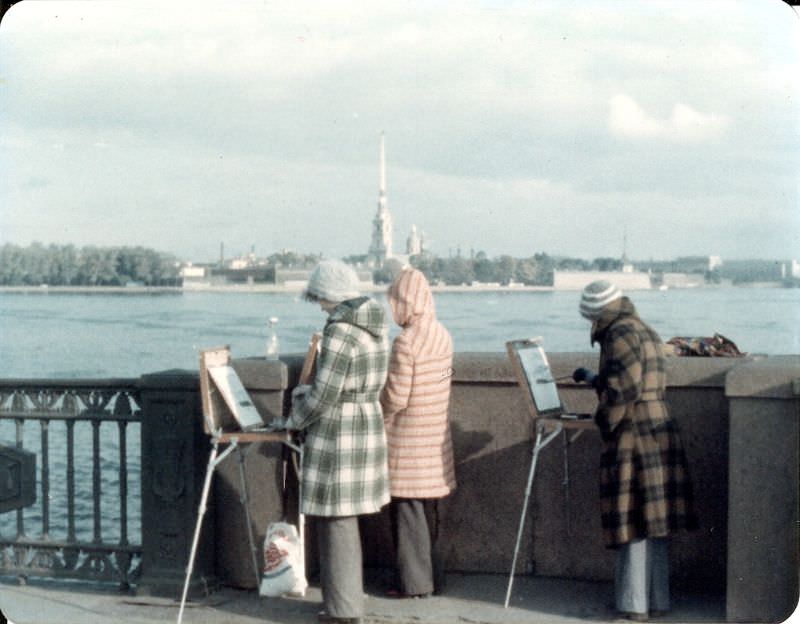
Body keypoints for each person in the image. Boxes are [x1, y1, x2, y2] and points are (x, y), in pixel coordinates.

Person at [573, 280, 697, 623]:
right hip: (658, 425)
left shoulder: (619, 333)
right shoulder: (643, 328)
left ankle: (632, 606)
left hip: (635, 432)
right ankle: (656, 601)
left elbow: (624, 389)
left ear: (597, 313)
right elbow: (634, 378)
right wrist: (593, 377)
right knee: (653, 521)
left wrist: (603, 420)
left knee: (632, 519)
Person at [288, 259, 391, 624]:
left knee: (335, 521)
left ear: (330, 294)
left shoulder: (339, 331)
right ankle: (345, 605)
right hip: (366, 422)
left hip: (340, 432)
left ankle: (342, 612)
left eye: (319, 296)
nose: (318, 304)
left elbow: (324, 394)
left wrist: (294, 417)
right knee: (346, 520)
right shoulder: (375, 326)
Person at [380, 267, 456, 598]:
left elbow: (396, 396)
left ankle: (414, 586)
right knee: (429, 515)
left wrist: (378, 415)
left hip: (408, 441)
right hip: (434, 434)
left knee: (407, 514)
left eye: (395, 300)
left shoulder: (406, 341)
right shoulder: (442, 334)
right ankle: (433, 580)